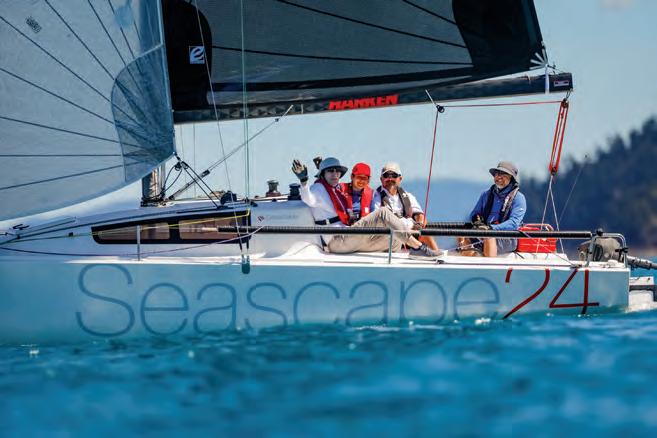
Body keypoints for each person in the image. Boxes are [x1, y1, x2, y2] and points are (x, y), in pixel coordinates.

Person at [291, 157, 441, 259]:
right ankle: (418, 248)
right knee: (383, 213)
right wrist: (304, 181)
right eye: (331, 171)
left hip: (346, 237)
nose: (335, 174)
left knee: (394, 242)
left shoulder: (335, 189)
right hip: (336, 240)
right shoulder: (318, 188)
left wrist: (322, 167)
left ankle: (422, 250)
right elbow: (308, 198)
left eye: (337, 171)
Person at [458, 161, 527, 257]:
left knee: (489, 237)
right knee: (462, 235)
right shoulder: (485, 194)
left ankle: (489, 266)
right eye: (496, 174)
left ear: (511, 177)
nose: (498, 177)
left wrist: (491, 228)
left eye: (503, 174)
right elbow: (475, 213)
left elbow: (514, 223)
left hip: (508, 237)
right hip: (485, 232)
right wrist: (478, 222)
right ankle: (466, 263)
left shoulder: (519, 198)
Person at [372, 162, 439, 251]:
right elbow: (378, 219)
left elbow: (420, 215)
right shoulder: (375, 196)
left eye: (394, 175)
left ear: (400, 179)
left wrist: (419, 225)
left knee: (426, 233)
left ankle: (437, 255)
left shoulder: (408, 196)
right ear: (381, 179)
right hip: (388, 235)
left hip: (410, 233)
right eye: (386, 175)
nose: (390, 179)